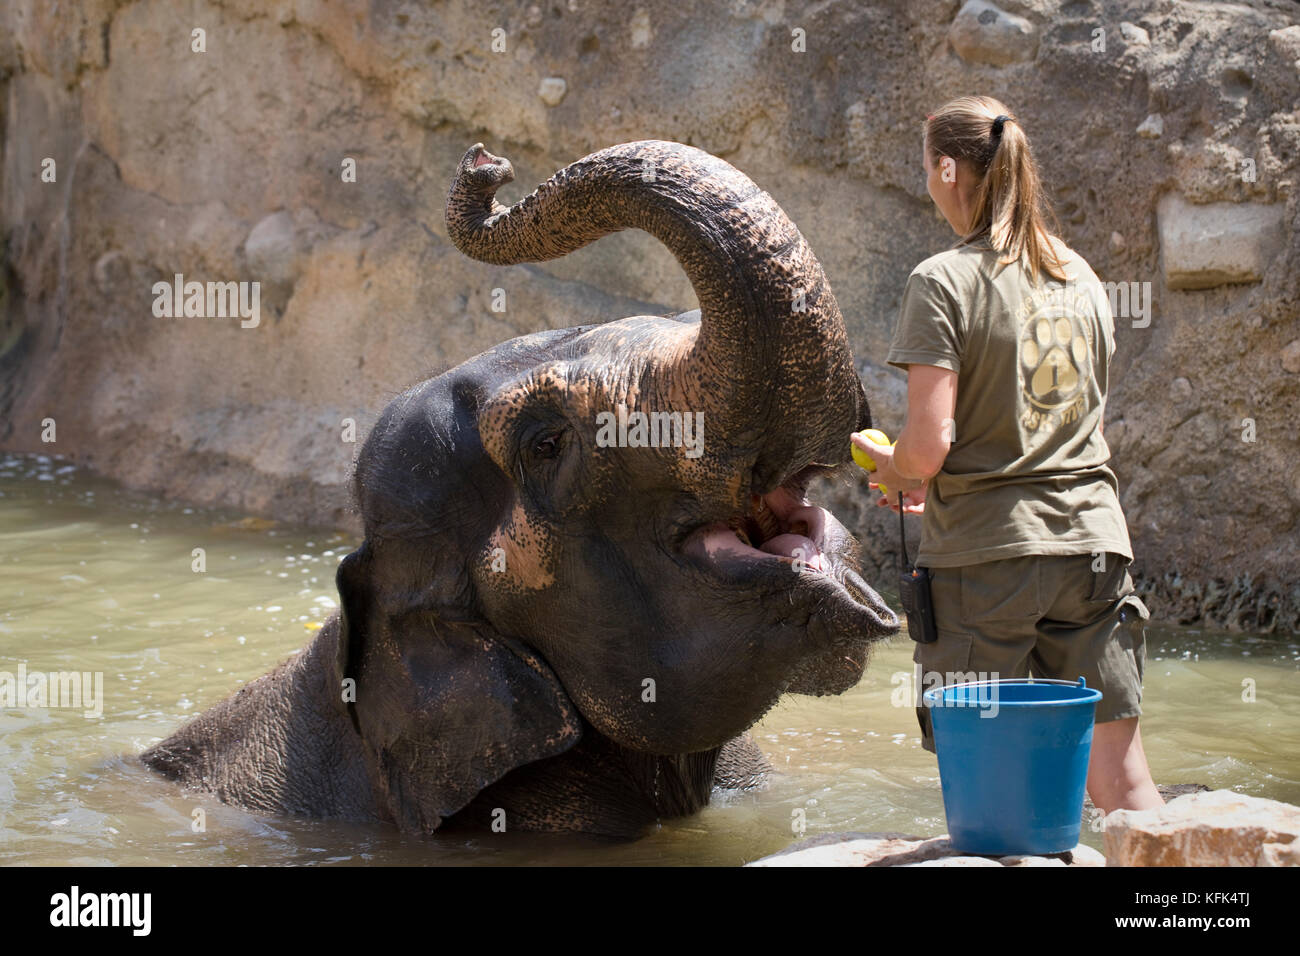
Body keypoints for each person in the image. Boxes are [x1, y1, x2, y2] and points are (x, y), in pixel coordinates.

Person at [853, 95, 1163, 813]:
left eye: (927, 168)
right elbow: (1070, 424)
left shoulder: (942, 280)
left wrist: (898, 470)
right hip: (1093, 547)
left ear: (949, 168)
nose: (927, 183)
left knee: (995, 796)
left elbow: (928, 445)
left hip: (989, 561)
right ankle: (1172, 912)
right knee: (1123, 781)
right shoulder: (1081, 278)